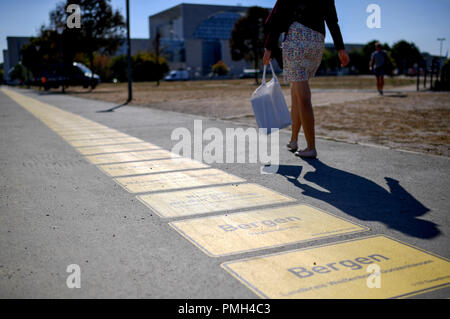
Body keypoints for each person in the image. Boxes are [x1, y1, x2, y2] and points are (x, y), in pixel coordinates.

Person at [263, 0, 349, 159]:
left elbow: (277, 17)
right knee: (295, 91)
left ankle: (311, 147)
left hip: (297, 36)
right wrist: (340, 48)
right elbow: (332, 20)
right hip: (317, 40)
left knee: (302, 96)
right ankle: (294, 140)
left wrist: (269, 48)